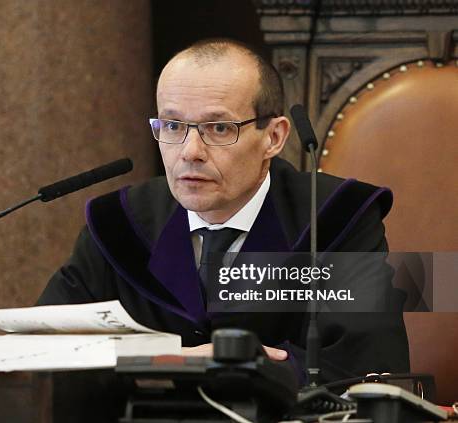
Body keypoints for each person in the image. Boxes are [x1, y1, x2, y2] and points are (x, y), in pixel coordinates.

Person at [37, 38, 409, 382]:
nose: (190, 151)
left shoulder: (338, 218)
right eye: (172, 125)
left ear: (273, 137)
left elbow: (370, 362)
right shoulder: (117, 224)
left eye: (217, 127)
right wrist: (162, 360)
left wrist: (260, 369)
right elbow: (41, 354)